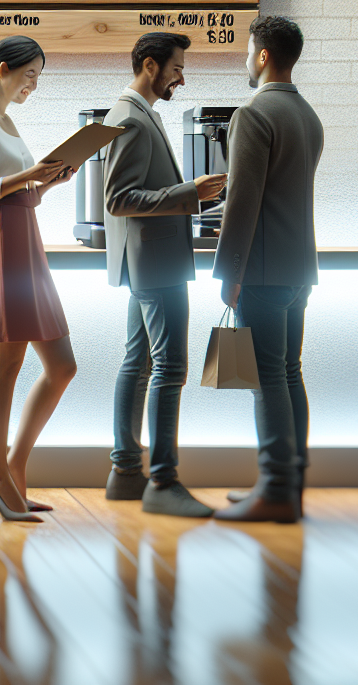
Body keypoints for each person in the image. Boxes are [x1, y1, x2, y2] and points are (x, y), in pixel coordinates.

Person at [101, 32, 226, 517]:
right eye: (176, 67)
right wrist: (189, 193)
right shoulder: (131, 118)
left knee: (137, 364)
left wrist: (188, 192)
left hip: (147, 261)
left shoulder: (137, 114)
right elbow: (119, 199)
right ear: (150, 66)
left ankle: (125, 472)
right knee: (169, 367)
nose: (181, 77)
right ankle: (163, 482)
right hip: (156, 262)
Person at [0, 36, 79, 524]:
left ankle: (11, 467)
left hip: (24, 240)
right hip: (1, 245)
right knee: (7, 364)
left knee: (62, 365)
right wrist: (29, 173)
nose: (34, 85)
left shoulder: (7, 122)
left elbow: (19, 196)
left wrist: (47, 182)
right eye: (31, 74)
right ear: (4, 69)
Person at [213, 16, 322, 524]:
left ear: (262, 56)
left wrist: (226, 272)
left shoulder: (254, 114)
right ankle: (288, 485)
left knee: (267, 381)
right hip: (300, 270)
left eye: (246, 50)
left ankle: (274, 490)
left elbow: (243, 201)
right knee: (289, 373)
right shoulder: (307, 115)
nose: (244, 58)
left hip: (260, 270)